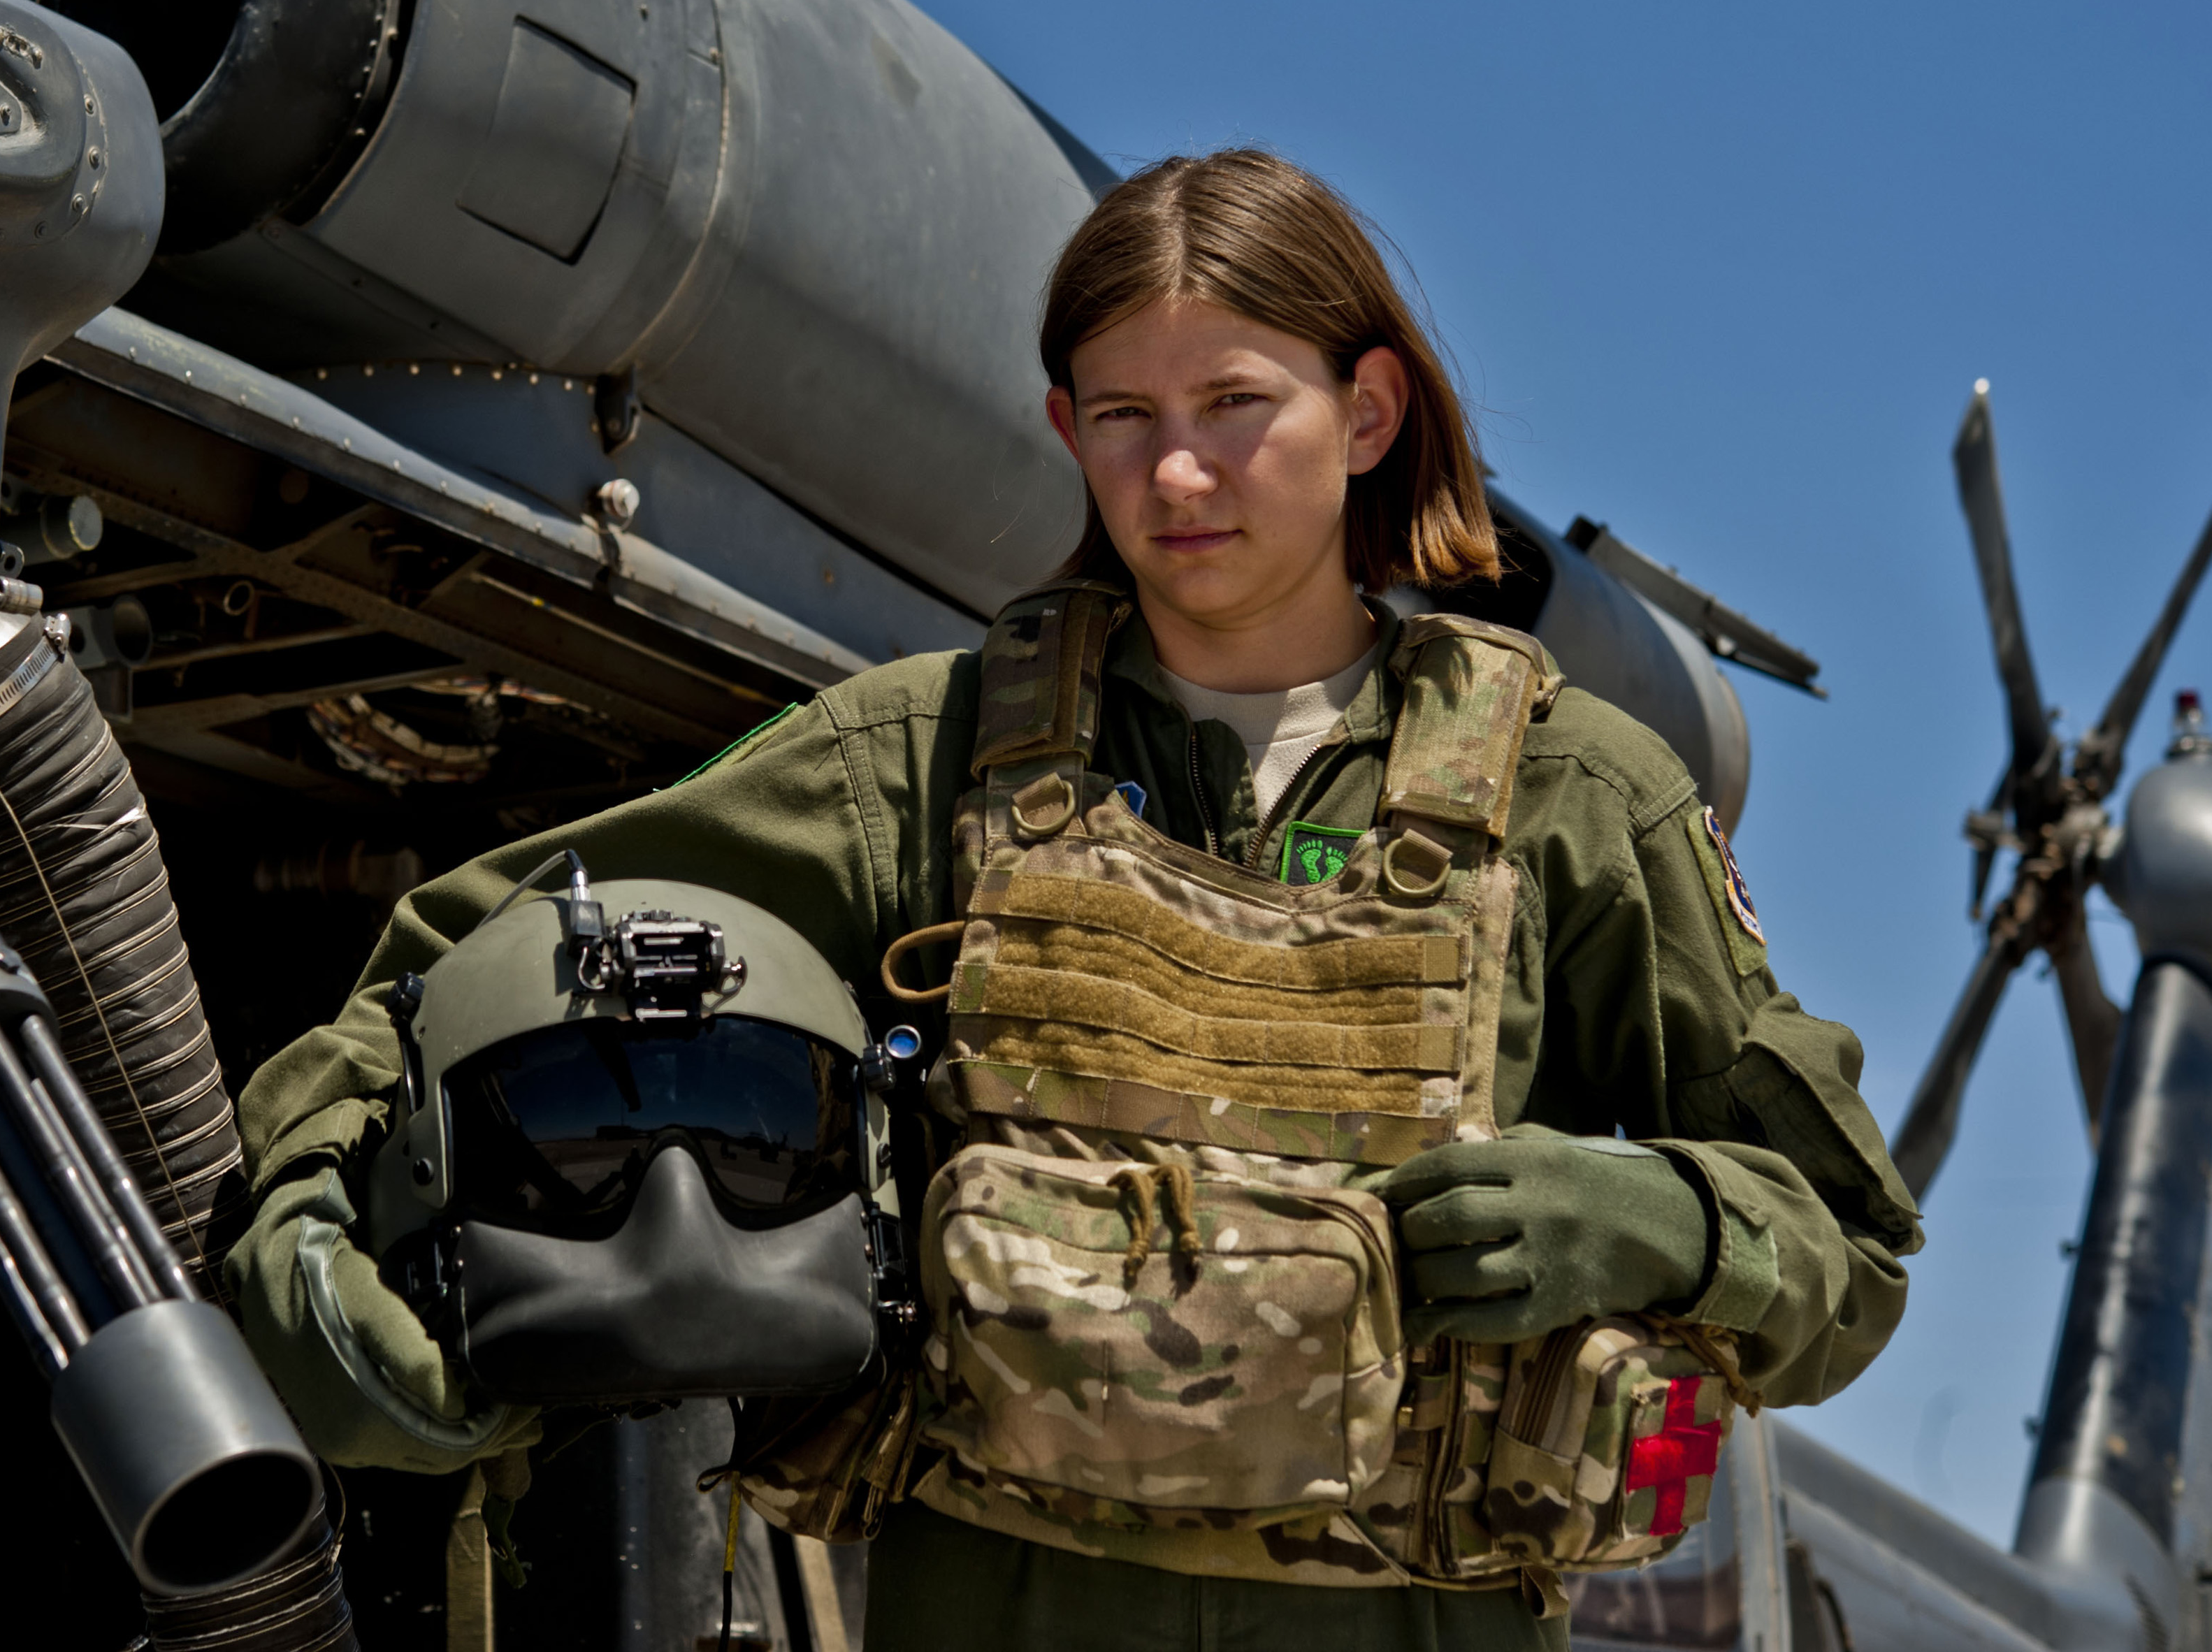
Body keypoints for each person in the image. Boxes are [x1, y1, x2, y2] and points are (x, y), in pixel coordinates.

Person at [227, 150, 1921, 1650]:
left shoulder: (1578, 797)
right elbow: (476, 949)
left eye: (1236, 406)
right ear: (1066, 430)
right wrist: (312, 1244)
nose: (1177, 477)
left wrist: (1659, 1223)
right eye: (1125, 418)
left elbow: (1850, 1246)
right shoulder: (928, 753)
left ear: (1372, 414)